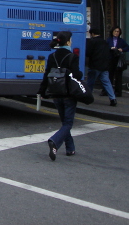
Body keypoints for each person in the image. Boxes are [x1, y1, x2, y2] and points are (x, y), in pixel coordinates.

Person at [37, 30, 82, 161]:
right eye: (71, 40)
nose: (71, 42)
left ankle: (70, 148)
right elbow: (76, 75)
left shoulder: (52, 56)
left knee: (64, 122)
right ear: (67, 42)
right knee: (68, 123)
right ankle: (54, 141)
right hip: (68, 93)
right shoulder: (72, 57)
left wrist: (41, 90)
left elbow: (46, 74)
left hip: (56, 93)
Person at [86, 28, 117, 106]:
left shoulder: (92, 42)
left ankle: (88, 98)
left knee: (90, 82)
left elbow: (88, 53)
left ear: (92, 34)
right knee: (107, 82)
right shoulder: (105, 42)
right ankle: (113, 98)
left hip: (94, 65)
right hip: (104, 66)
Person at [106, 25, 129, 97]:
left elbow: (127, 47)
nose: (116, 33)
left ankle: (118, 92)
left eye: (118, 32)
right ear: (112, 32)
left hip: (118, 59)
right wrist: (111, 48)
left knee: (118, 76)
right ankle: (107, 91)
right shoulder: (109, 39)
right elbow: (105, 47)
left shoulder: (121, 40)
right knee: (109, 75)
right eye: (115, 31)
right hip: (110, 59)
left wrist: (121, 49)